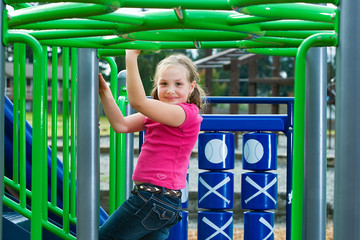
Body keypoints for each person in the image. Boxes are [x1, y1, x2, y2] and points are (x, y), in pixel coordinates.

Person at [98, 49, 206, 240]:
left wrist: (130, 56)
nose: (170, 90)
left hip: (152, 199)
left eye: (178, 84)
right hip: (161, 202)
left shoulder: (186, 114)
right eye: (163, 84)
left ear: (191, 87)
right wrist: (104, 91)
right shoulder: (157, 114)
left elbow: (138, 102)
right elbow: (121, 125)